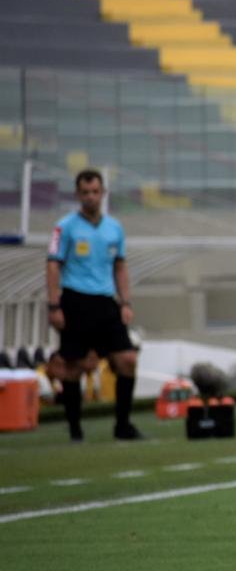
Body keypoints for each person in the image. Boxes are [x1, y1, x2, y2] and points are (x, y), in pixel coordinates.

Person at [46, 168, 142, 441]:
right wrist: (54, 306)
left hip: (106, 302)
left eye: (95, 192)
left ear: (103, 193)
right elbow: (53, 266)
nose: (90, 197)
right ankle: (75, 429)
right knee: (73, 367)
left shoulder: (115, 228)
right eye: (85, 192)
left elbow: (120, 267)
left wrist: (125, 302)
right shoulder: (64, 227)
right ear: (77, 194)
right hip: (75, 300)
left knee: (127, 359)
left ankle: (122, 425)